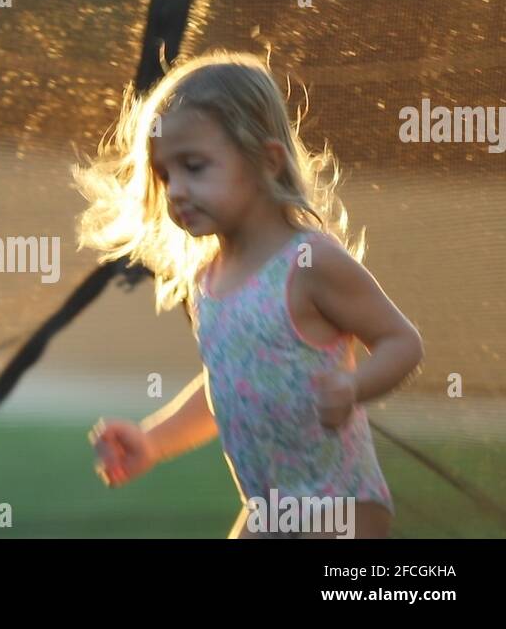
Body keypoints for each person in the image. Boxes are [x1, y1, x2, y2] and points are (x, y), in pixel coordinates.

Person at [72, 51, 424, 538]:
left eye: (194, 167)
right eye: (165, 174)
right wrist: (152, 441)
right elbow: (230, 383)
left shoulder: (308, 262)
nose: (175, 190)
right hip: (268, 510)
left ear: (266, 159)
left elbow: (402, 342)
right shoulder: (206, 281)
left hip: (339, 505)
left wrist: (353, 386)